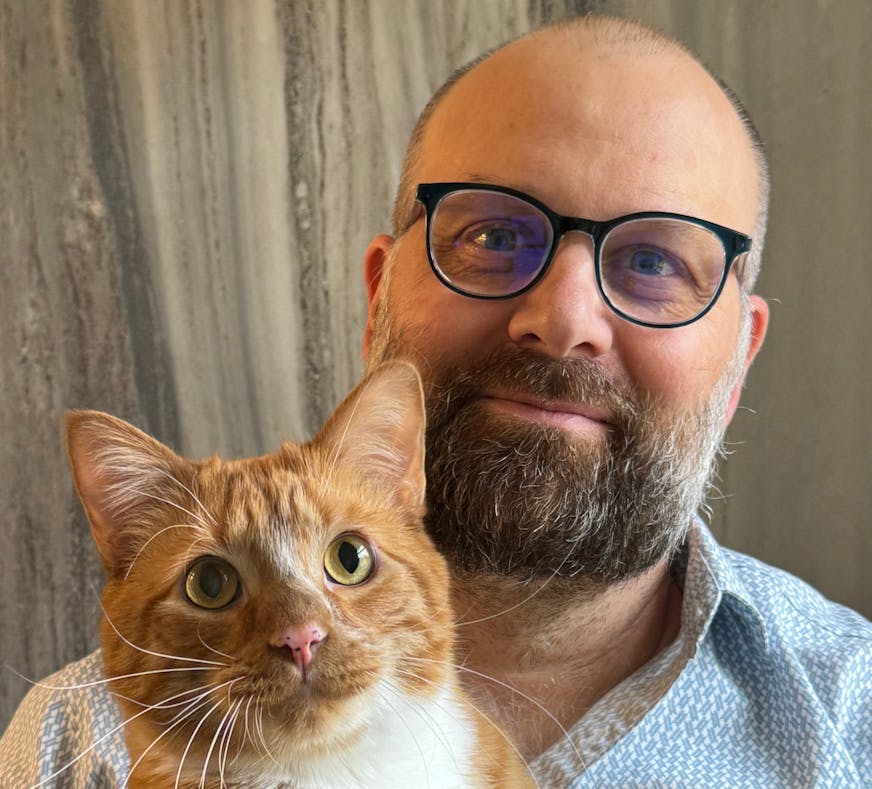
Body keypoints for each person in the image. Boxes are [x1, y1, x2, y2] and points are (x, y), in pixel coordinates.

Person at [2, 14, 869, 788]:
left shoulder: (851, 718)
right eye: (493, 235)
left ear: (739, 357)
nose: (565, 319)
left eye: (655, 262)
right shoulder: (68, 746)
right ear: (378, 294)